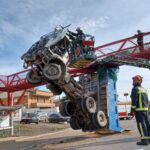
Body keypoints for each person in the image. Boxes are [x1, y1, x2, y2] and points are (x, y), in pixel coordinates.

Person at [130, 75, 150, 145]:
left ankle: (144, 141)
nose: (133, 82)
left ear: (136, 81)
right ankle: (148, 139)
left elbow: (134, 101)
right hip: (146, 111)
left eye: (133, 80)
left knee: (141, 125)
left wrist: (132, 111)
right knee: (147, 124)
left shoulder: (135, 89)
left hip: (139, 111)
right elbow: (147, 101)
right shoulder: (144, 89)